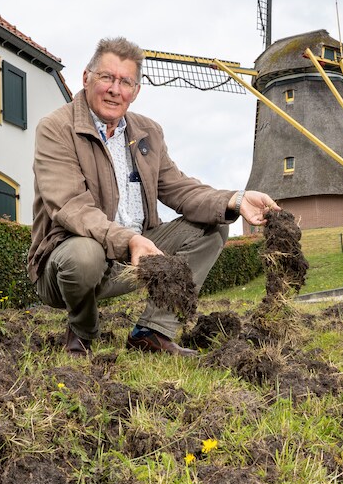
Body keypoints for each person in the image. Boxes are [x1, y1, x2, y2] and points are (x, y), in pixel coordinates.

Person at [29, 37, 279, 357]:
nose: (115, 89)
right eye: (106, 77)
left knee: (213, 225)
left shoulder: (148, 132)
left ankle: (152, 332)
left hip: (133, 256)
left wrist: (235, 199)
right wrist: (130, 240)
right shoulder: (55, 128)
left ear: (136, 91)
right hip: (68, 263)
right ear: (86, 78)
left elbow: (178, 187)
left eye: (125, 82)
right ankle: (82, 331)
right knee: (85, 255)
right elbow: (71, 206)